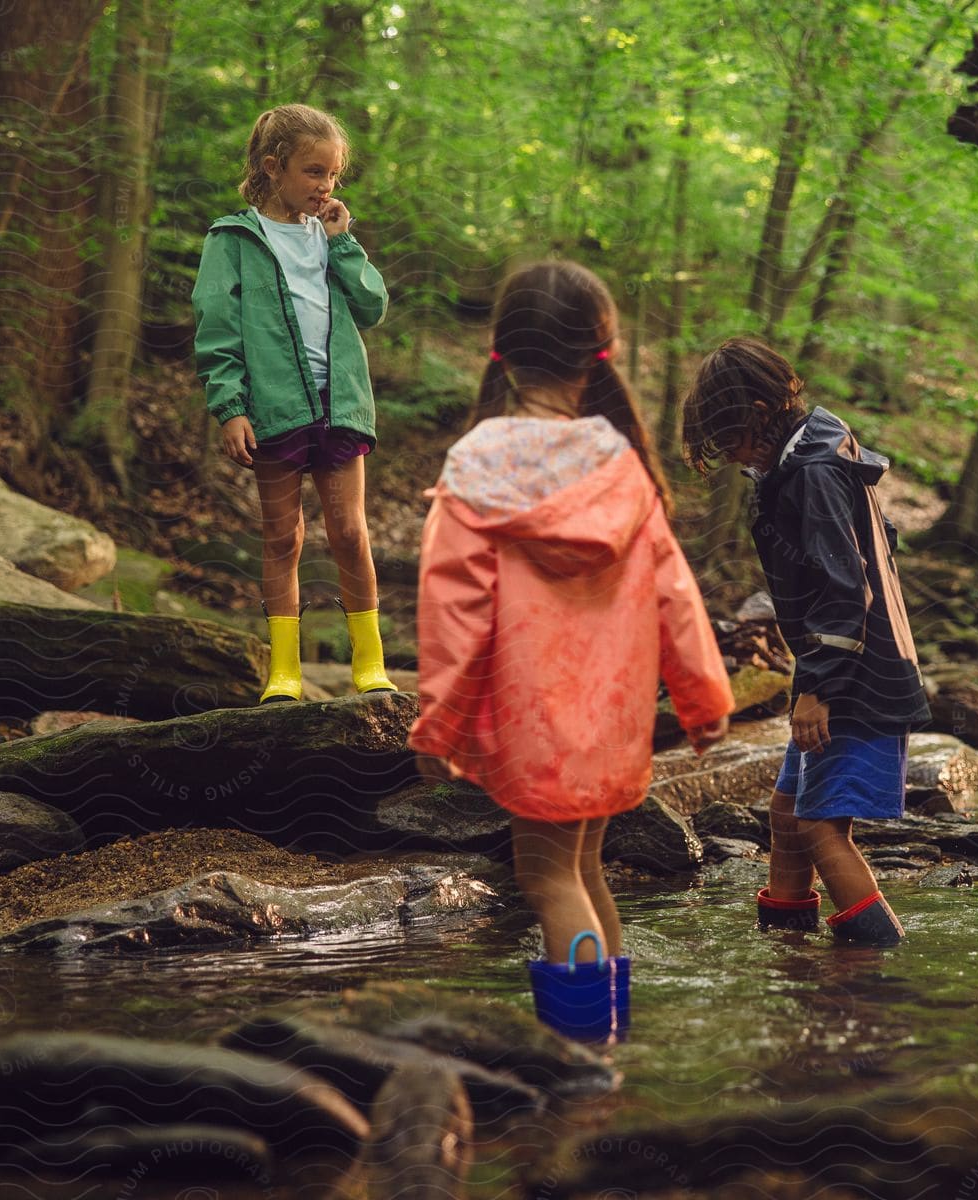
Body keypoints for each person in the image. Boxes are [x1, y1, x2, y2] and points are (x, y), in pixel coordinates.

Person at [409, 261, 733, 1039]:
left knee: (548, 878)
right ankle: (609, 1047)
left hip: (533, 718)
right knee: (582, 870)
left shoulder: (478, 462)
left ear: (499, 347)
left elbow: (450, 606)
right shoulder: (617, 462)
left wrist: (437, 723)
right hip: (611, 716)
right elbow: (675, 594)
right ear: (600, 350)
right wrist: (704, 700)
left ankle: (582, 1059)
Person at [682, 336, 929, 947]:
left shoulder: (815, 468)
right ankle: (786, 954)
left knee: (821, 828)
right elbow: (877, 542)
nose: (733, 455)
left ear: (761, 415)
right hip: (836, 663)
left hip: (857, 675)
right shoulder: (816, 450)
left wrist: (817, 688)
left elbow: (846, 589)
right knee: (788, 817)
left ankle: (877, 966)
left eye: (731, 438)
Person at [192, 103, 396, 703]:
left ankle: (370, 662)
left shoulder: (332, 238)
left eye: (333, 174)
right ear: (273, 167)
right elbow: (216, 327)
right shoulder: (232, 239)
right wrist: (229, 407)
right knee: (283, 538)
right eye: (313, 172)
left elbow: (373, 307)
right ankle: (285, 670)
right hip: (276, 411)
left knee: (350, 532)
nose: (326, 185)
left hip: (340, 406)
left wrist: (344, 243)